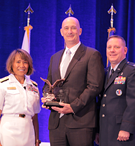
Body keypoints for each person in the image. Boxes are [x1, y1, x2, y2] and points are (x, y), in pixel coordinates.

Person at [41, 17, 105, 146]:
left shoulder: (92, 55)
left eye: (73, 28)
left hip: (81, 122)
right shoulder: (55, 57)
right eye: (66, 28)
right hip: (56, 124)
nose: (70, 31)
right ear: (61, 32)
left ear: (80, 31)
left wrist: (72, 107)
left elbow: (94, 86)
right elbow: (48, 84)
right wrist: (47, 97)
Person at [97, 35, 135, 146]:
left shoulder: (133, 71)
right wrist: (98, 130)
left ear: (125, 50)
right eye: (109, 47)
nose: (112, 50)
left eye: (116, 47)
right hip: (105, 132)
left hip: (124, 133)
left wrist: (126, 128)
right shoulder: (104, 73)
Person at [0, 49, 41, 146]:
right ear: (11, 64)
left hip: (28, 133)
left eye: (25, 62)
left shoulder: (34, 87)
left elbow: (35, 117)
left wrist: (37, 140)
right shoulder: (2, 84)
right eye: (18, 62)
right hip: (8, 132)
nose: (22, 65)